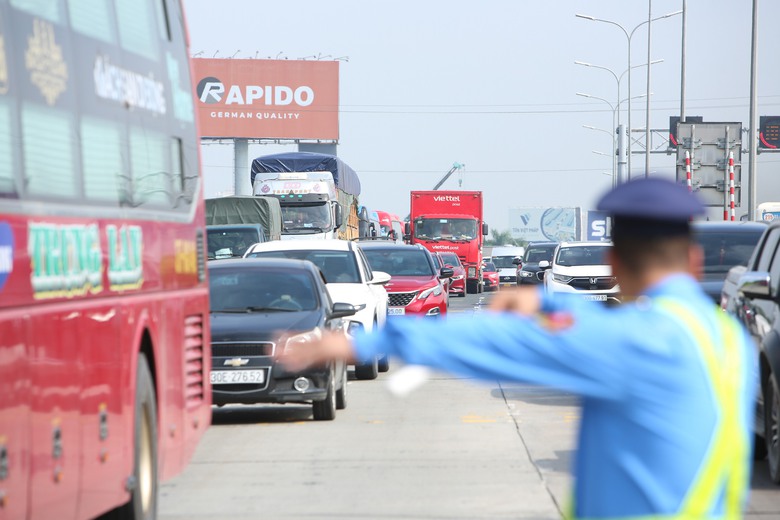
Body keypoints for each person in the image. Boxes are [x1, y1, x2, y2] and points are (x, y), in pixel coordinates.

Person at [281, 177, 756, 519]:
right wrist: (545, 300)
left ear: (614, 261)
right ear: (694, 260)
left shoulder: (639, 341)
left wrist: (364, 341)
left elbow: (498, 339)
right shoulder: (726, 337)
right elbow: (600, 323)